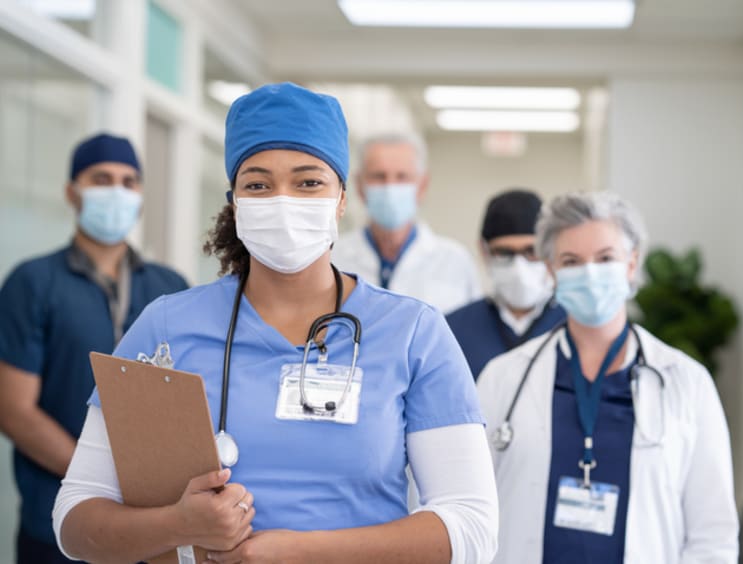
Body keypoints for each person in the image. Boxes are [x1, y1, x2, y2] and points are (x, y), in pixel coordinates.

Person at [52, 83, 498, 563]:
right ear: (235, 201)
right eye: (259, 184)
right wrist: (176, 524)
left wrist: (301, 553)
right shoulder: (167, 326)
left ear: (343, 198)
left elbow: (471, 528)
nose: (283, 201)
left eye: (308, 182)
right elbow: (76, 518)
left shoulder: (414, 332)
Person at [476, 191, 738, 563]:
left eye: (605, 258)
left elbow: (713, 533)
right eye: (571, 261)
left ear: (631, 264)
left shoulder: (686, 382)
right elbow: (471, 508)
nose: (590, 273)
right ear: (550, 271)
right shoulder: (504, 378)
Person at [0, 132, 188, 563]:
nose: (117, 191)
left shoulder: (169, 287)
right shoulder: (34, 283)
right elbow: (14, 410)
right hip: (57, 525)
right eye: (101, 179)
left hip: (151, 525)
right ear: (72, 192)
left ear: (140, 196)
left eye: (128, 181)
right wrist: (100, 478)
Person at [331, 133, 481, 314]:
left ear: (422, 186)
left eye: (402, 177)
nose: (389, 187)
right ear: (359, 186)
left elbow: (469, 332)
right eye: (379, 176)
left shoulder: (455, 261)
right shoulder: (332, 258)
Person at [447, 189, 566, 379]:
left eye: (531, 251)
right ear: (484, 251)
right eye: (504, 253)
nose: (519, 267)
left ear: (549, 250)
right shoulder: (453, 330)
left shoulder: (574, 325)